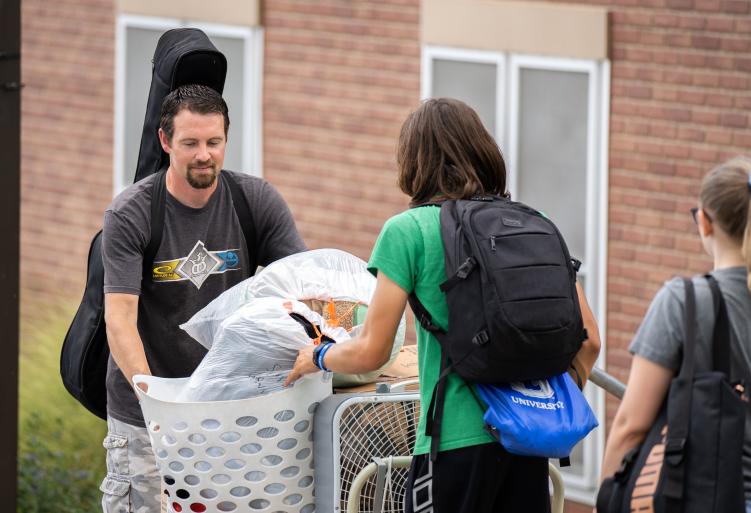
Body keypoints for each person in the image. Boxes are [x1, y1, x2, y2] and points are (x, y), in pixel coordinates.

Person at [286, 97, 601, 513]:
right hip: (528, 442)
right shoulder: (534, 220)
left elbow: (373, 351)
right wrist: (543, 402)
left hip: (451, 444)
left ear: (413, 162)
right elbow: (590, 341)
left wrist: (318, 356)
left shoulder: (408, 230)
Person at [100, 84, 306, 512]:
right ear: (165, 141)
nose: (203, 155)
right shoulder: (132, 213)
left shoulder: (255, 200)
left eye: (214, 142)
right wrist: (155, 398)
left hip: (230, 409)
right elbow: (119, 317)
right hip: (148, 414)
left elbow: (302, 289)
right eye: (190, 143)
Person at [601, 156, 751, 512]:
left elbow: (631, 426)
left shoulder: (685, 302)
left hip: (713, 499)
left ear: (705, 222)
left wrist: (607, 499)